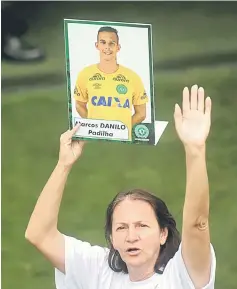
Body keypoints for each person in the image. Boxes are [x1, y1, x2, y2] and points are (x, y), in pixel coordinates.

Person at [25, 84, 216, 288]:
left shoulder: (183, 275)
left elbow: (197, 224)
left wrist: (195, 149)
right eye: (121, 228)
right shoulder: (97, 271)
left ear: (163, 233)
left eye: (142, 225)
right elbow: (39, 235)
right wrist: (64, 164)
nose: (131, 237)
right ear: (111, 238)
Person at [73, 26, 148, 141]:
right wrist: (95, 127)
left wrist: (121, 130)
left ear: (118, 47)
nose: (107, 47)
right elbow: (79, 105)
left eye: (111, 43)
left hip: (122, 141)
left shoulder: (133, 77)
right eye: (103, 42)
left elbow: (141, 114)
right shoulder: (85, 74)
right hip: (95, 140)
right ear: (97, 45)